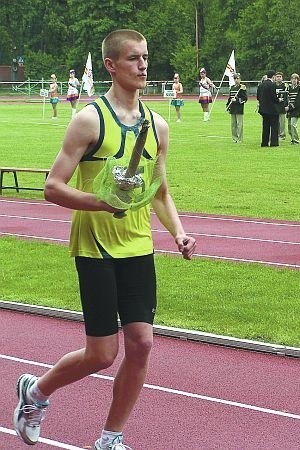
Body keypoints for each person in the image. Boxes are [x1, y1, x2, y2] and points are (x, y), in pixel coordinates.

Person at [13, 29, 197, 450]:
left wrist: (179, 232)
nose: (143, 66)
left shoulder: (158, 126)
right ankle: (36, 391)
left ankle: (110, 438)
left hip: (138, 247)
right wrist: (102, 203)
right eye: (133, 58)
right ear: (112, 66)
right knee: (101, 354)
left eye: (146, 57)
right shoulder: (89, 120)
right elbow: (52, 187)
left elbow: (160, 191)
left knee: (142, 343)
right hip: (95, 247)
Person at [257, 69, 280, 147]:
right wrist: (278, 100)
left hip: (263, 109)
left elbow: (258, 97)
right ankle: (274, 143)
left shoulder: (261, 85)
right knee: (274, 126)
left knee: (265, 126)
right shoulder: (272, 85)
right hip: (272, 109)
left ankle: (264, 143)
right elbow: (274, 97)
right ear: (273, 76)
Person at [226, 73, 247, 143]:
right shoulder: (232, 87)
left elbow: (245, 99)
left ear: (240, 79)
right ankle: (234, 138)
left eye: (237, 78)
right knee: (233, 124)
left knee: (239, 124)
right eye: (235, 78)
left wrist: (237, 100)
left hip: (239, 108)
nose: (236, 80)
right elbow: (230, 98)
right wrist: (228, 105)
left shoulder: (242, 88)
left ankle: (239, 139)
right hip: (232, 108)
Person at [286, 73, 300, 144]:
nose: (294, 80)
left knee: (293, 125)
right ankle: (292, 138)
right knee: (289, 126)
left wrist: (291, 107)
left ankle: (296, 140)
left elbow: (298, 101)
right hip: (289, 110)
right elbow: (286, 98)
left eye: (295, 79)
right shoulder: (288, 88)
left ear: (298, 80)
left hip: (296, 109)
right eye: (293, 78)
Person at [274, 72, 288, 140]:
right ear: (275, 77)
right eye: (277, 76)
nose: (278, 78)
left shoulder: (285, 86)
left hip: (282, 106)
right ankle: (276, 134)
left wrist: (286, 105)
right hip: (275, 106)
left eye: (280, 76)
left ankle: (282, 135)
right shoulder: (273, 85)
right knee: (275, 121)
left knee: (282, 122)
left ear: (282, 78)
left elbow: (286, 97)